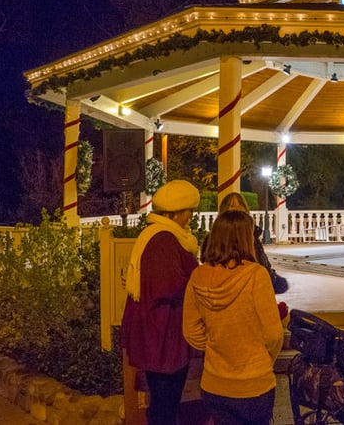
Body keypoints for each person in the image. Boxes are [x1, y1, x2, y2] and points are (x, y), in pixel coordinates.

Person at [183, 210, 285, 424]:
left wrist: (216, 346)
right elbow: (274, 334)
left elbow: (190, 330)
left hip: (214, 382)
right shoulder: (256, 275)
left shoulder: (198, 276)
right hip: (254, 384)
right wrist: (264, 359)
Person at [121, 180, 200, 425]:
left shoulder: (157, 235)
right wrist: (198, 279)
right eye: (189, 211)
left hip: (158, 334)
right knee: (165, 403)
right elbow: (168, 285)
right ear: (176, 212)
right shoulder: (164, 240)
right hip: (163, 338)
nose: (191, 217)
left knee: (164, 402)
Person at [218, 192, 288, 294]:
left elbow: (263, 264)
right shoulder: (223, 240)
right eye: (232, 206)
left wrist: (273, 279)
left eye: (240, 205)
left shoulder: (254, 237)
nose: (237, 208)